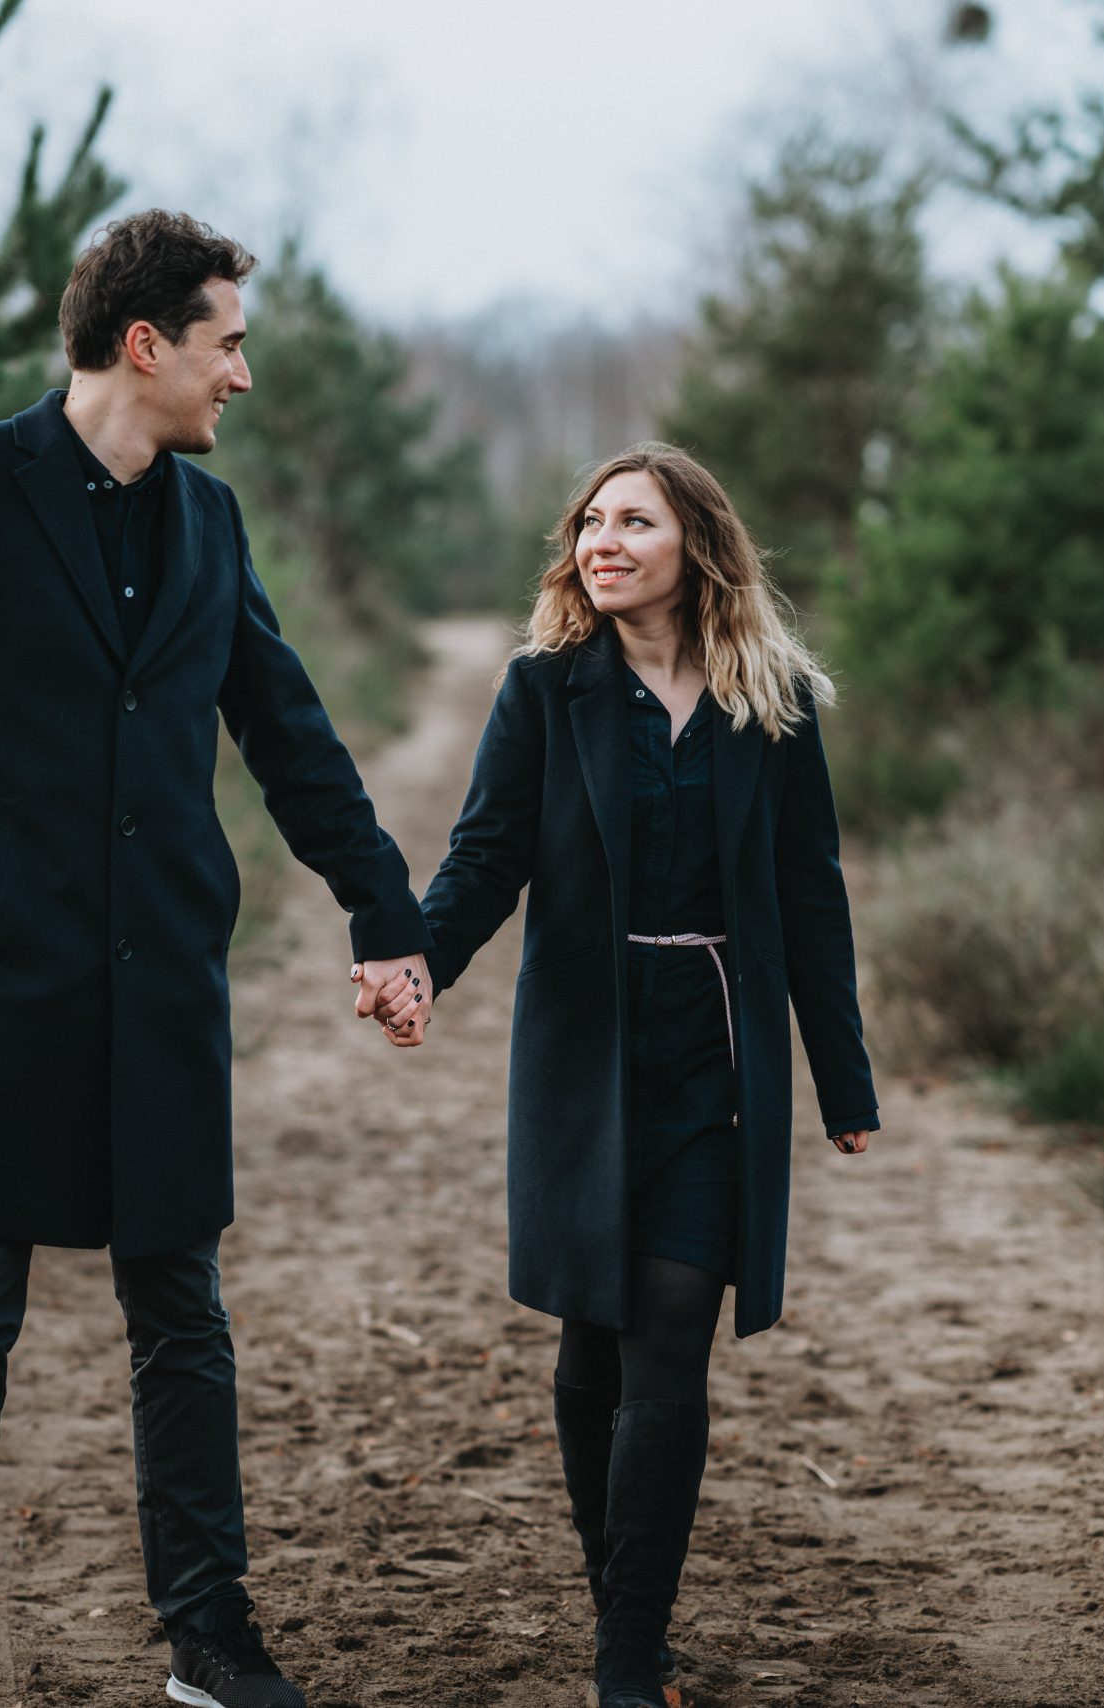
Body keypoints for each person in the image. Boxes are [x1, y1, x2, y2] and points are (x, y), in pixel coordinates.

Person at [0, 209, 433, 1708]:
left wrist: (383, 910)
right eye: (229, 342)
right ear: (146, 343)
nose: (244, 376)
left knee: (185, 1314)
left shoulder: (208, 527)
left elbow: (286, 734)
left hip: (162, 981)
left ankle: (211, 1643)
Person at [367, 444, 877, 1708]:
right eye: (590, 522)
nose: (602, 541)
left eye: (633, 522)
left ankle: (626, 1651)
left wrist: (842, 1079)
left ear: (695, 543)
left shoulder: (776, 703)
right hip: (584, 1049)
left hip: (716, 1051)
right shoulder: (546, 690)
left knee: (665, 1326)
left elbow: (812, 896)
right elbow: (484, 855)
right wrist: (419, 961)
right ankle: (624, 1594)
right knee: (592, 1338)